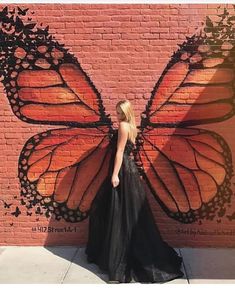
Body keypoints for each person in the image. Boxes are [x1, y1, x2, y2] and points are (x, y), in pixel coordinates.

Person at [85, 99, 184, 283]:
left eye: (119, 112)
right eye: (117, 112)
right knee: (121, 214)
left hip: (122, 171)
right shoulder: (132, 127)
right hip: (128, 171)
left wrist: (114, 175)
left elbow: (119, 152)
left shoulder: (123, 126)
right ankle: (116, 252)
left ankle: (119, 256)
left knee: (114, 212)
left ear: (125, 112)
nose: (117, 115)